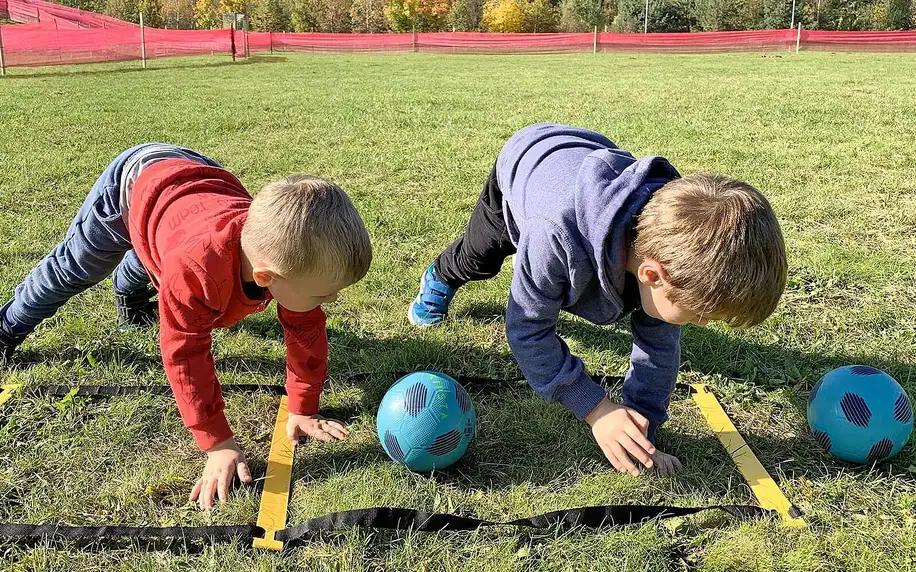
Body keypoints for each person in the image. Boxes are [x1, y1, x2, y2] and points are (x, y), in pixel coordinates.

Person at [0, 144, 372, 508]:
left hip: (194, 189)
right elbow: (184, 353)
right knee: (73, 269)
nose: (332, 301)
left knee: (161, 261)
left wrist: (302, 408)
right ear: (265, 276)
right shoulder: (195, 270)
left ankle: (136, 283)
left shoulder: (282, 260)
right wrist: (217, 443)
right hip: (134, 186)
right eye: (325, 295)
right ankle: (7, 325)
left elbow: (305, 333)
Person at [408, 123, 786, 476]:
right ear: (651, 274)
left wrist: (640, 429)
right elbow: (528, 329)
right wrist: (598, 410)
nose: (702, 324)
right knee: (479, 257)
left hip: (586, 171)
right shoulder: (555, 233)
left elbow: (657, 347)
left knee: (655, 315)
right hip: (525, 163)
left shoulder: (673, 246)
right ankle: (439, 278)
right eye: (702, 314)